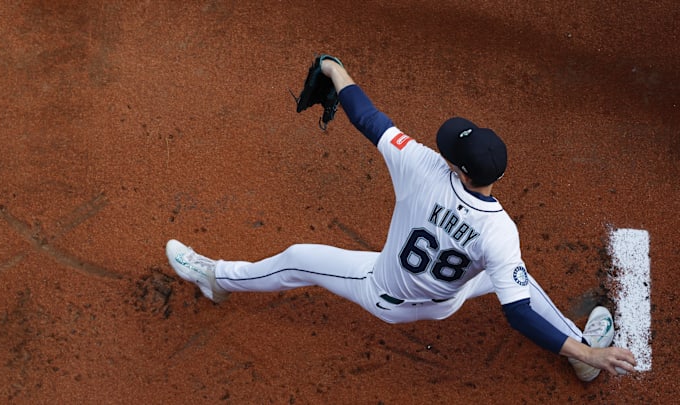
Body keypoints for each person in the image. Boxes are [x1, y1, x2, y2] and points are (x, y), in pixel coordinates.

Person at [165, 56, 636, 381]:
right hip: (444, 300)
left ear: (456, 167)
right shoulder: (501, 232)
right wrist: (588, 350)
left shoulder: (424, 167)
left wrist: (333, 67)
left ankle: (216, 278)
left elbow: (368, 118)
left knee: (296, 260)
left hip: (383, 293)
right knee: (517, 281)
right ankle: (584, 358)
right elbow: (517, 315)